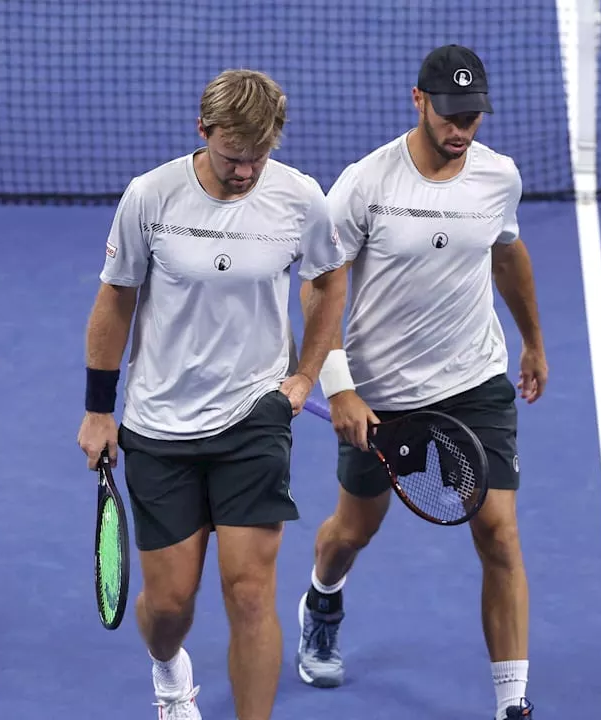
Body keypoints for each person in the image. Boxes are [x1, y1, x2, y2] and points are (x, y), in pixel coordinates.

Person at [76, 68, 348, 720]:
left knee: (251, 592)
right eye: (232, 157)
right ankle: (170, 671)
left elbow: (330, 279)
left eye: (258, 158)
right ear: (203, 131)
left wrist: (306, 376)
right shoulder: (151, 197)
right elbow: (116, 299)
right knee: (169, 608)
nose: (245, 173)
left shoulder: (298, 197)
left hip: (254, 413)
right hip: (159, 421)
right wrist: (96, 409)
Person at [295, 45, 547, 720]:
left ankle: (512, 704)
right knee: (352, 531)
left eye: (471, 116)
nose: (460, 129)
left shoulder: (498, 178)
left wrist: (532, 341)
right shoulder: (366, 183)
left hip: (474, 380)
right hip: (383, 395)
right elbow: (320, 286)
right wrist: (342, 385)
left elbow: (507, 252)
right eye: (448, 113)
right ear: (418, 101)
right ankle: (322, 598)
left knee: (499, 533)